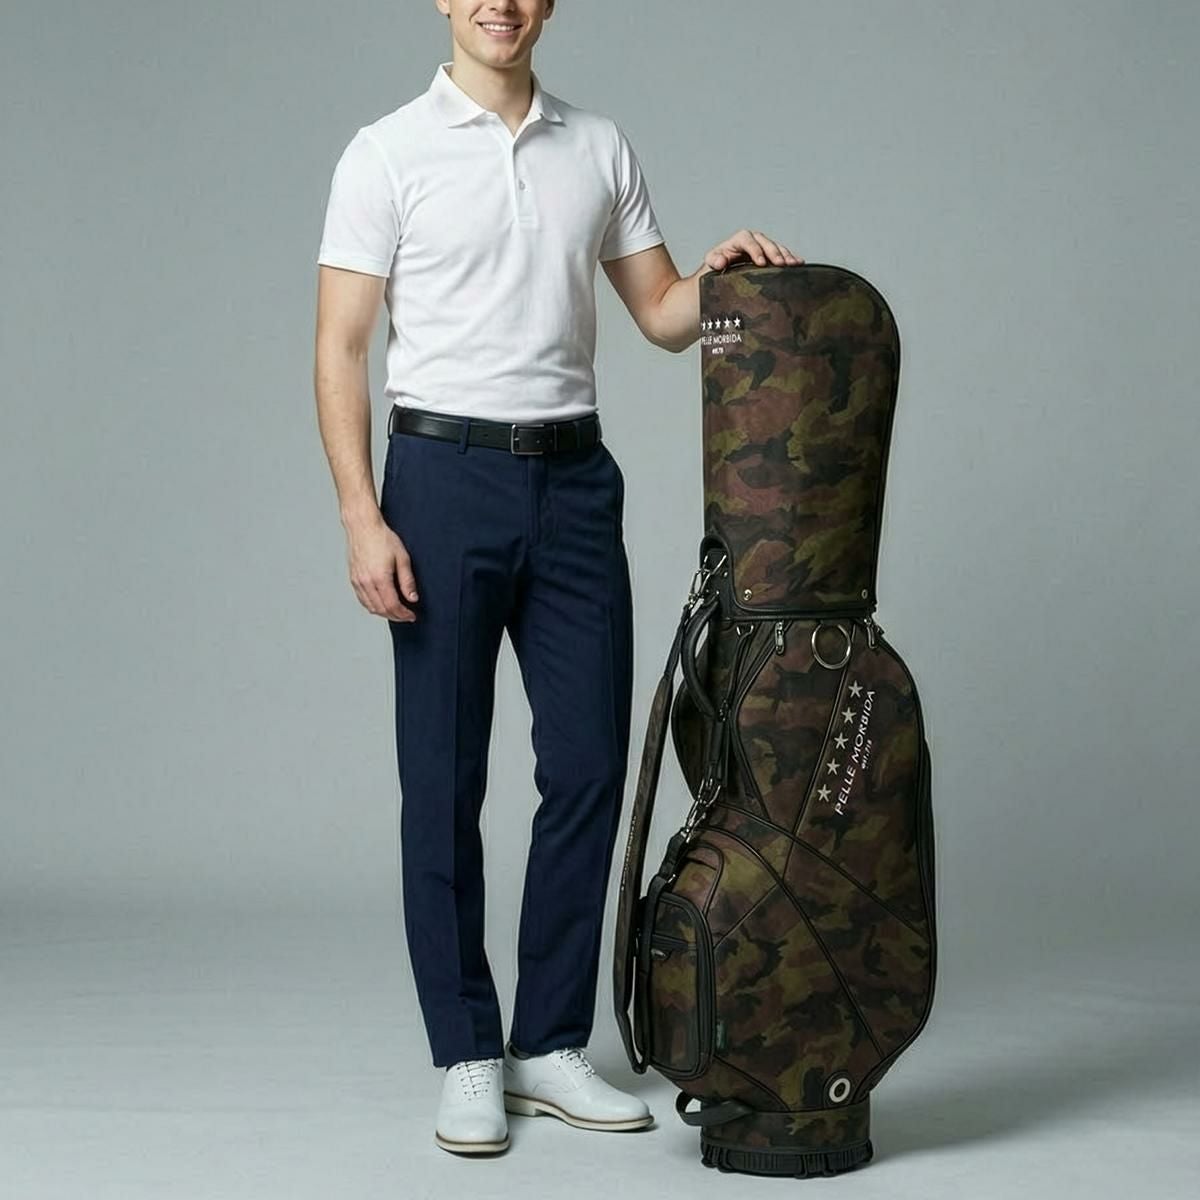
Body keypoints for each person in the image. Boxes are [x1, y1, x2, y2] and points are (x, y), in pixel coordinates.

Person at [313, 0, 802, 1157]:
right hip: (440, 479)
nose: (502, 2)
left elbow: (661, 314)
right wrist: (361, 515)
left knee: (587, 767)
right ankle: (467, 1052)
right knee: (442, 778)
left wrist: (718, 278)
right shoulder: (386, 152)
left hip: (575, 484)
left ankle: (547, 1044)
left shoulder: (599, 147)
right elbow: (341, 345)